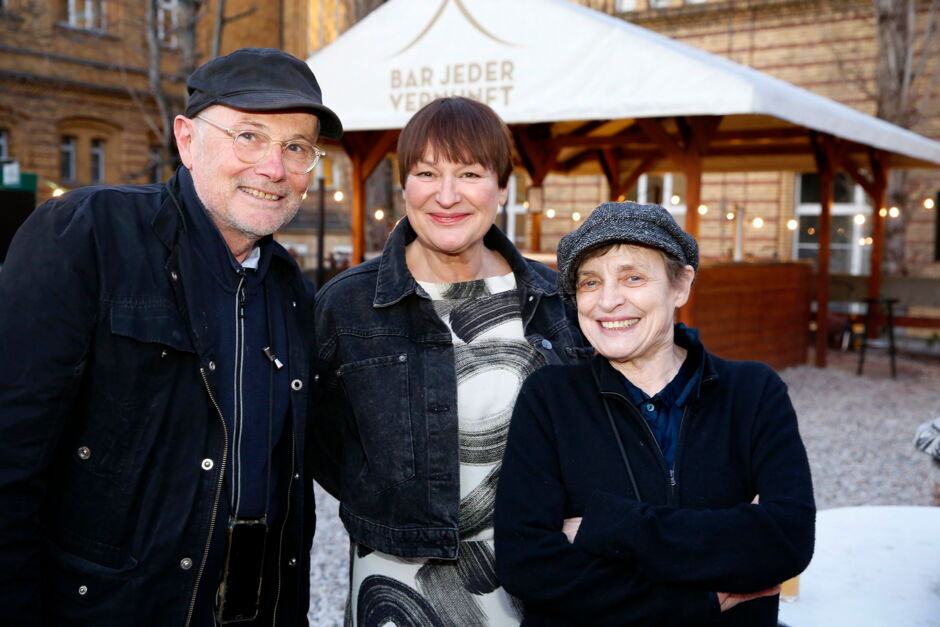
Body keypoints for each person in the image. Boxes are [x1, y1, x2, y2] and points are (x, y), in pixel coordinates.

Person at [0, 47, 342, 625]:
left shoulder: (294, 293)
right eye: (249, 137)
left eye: (296, 147)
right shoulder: (88, 235)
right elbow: (10, 457)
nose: (274, 168)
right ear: (187, 140)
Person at [312, 96, 592, 626]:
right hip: (400, 584)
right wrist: (391, 500)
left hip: (543, 579)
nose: (446, 195)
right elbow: (322, 441)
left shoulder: (558, 300)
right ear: (403, 187)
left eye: (469, 173)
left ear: (502, 187)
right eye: (426, 173)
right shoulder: (347, 306)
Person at [494, 201, 815, 626]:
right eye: (590, 282)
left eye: (634, 277)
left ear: (681, 285)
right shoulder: (550, 398)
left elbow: (786, 541)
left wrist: (608, 527)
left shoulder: (753, 393)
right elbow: (528, 565)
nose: (608, 302)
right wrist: (697, 597)